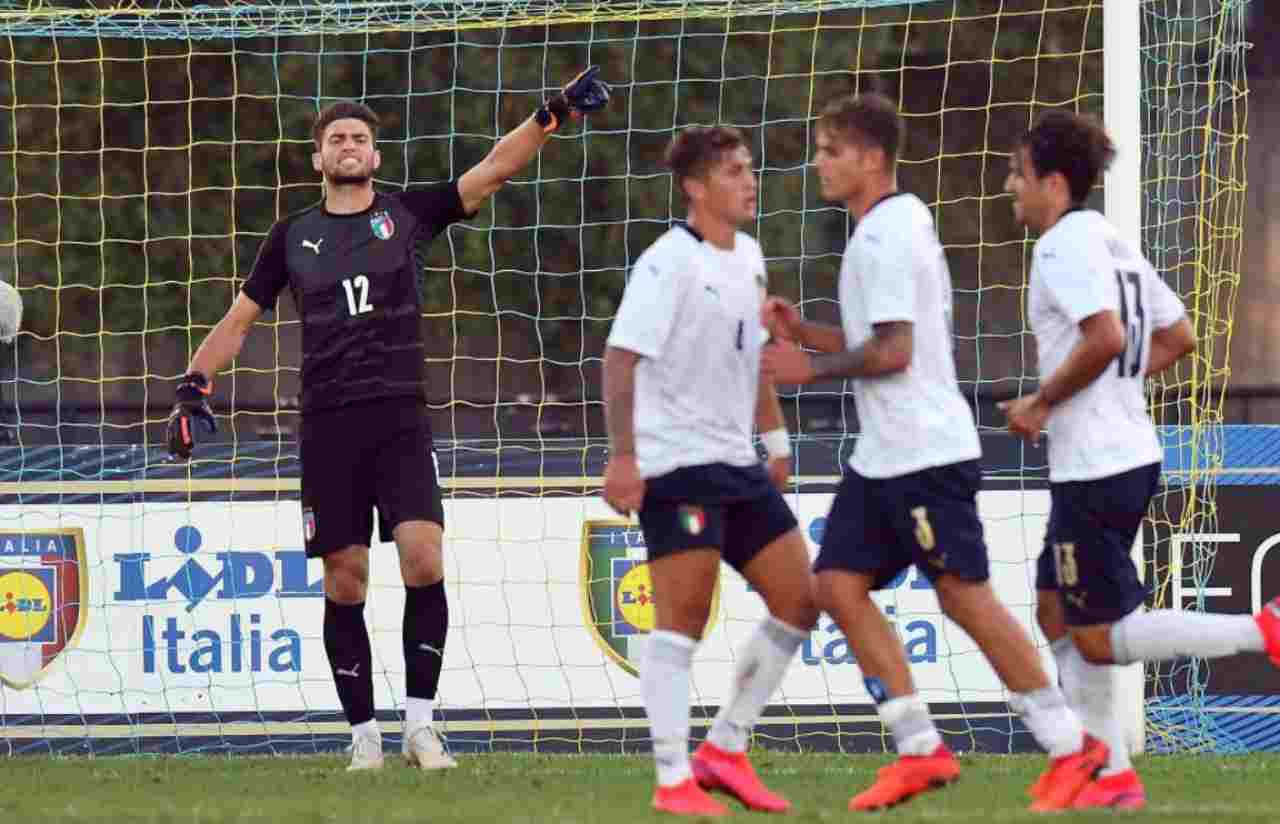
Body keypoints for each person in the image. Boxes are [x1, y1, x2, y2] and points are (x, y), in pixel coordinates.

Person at [165, 68, 611, 771]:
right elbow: (240, 319)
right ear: (318, 157)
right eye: (336, 138)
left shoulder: (407, 214)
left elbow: (492, 171)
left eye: (360, 138)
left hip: (401, 416)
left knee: (423, 557)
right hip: (329, 424)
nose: (349, 145)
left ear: (375, 157)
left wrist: (551, 115)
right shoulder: (292, 237)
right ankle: (363, 737)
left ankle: (422, 727)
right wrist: (194, 385)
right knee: (346, 579)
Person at [761, 93, 1106, 813]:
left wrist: (809, 368)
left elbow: (895, 352)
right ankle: (919, 748)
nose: (819, 162)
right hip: (884, 455)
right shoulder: (883, 228)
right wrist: (808, 334)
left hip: (921, 451)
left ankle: (1074, 746)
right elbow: (883, 340)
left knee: (962, 596)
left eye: (832, 149)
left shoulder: (887, 234)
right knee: (836, 587)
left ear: (872, 158)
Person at [1001, 108, 1280, 809]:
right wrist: (1114, 385)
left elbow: (1101, 337)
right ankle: (1110, 772)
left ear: (1055, 182)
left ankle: (1262, 629)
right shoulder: (1108, 239)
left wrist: (1042, 402)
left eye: (1018, 173)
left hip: (1095, 464)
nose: (1010, 185)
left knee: (1095, 636)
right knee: (1053, 610)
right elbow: (1179, 334)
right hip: (1123, 451)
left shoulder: (1063, 245)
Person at [602, 125, 819, 817]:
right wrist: (625, 456)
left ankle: (725, 748)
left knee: (802, 598)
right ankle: (673, 782)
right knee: (682, 623)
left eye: (750, 170)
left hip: (738, 465)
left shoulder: (750, 256)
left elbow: (752, 354)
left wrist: (777, 440)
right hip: (677, 467)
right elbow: (619, 361)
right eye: (733, 172)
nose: (749, 182)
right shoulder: (668, 263)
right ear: (696, 187)